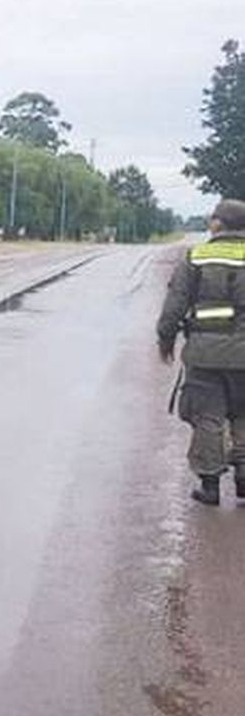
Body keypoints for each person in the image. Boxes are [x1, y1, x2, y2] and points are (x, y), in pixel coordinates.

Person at [157, 198, 245, 505]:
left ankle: (210, 487)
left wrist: (165, 339)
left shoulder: (197, 257)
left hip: (205, 354)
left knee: (208, 416)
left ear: (218, 223)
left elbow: (175, 305)